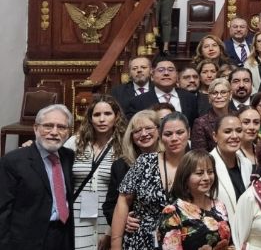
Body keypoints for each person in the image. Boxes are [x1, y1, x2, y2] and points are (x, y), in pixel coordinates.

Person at [0, 104, 74, 250]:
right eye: (48, 126)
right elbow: (3, 211)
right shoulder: (13, 161)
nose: (54, 132)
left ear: (68, 132)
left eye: (61, 127)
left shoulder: (69, 157)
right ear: (35, 128)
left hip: (62, 236)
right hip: (26, 241)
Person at [112, 112, 190, 250]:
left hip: (183, 240)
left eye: (180, 132)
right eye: (168, 134)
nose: (174, 138)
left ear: (188, 133)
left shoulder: (196, 164)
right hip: (141, 241)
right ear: (160, 135)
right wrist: (115, 244)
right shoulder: (145, 161)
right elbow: (123, 201)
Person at [62, 94, 125, 250]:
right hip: (77, 216)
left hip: (107, 219)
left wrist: (111, 231)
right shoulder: (75, 142)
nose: (102, 119)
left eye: (107, 114)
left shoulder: (124, 146)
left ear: (116, 116)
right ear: (90, 118)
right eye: (97, 115)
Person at [157, 150, 232, 250]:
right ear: (185, 177)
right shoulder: (172, 212)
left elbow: (229, 243)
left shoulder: (219, 206)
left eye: (210, 172)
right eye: (199, 173)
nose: (206, 178)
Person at [104, 110, 161, 226]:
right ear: (131, 136)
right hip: (134, 234)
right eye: (137, 131)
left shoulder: (172, 160)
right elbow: (109, 206)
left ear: (159, 130)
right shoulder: (120, 166)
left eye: (149, 128)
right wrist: (123, 220)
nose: (144, 134)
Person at [127, 58, 199, 126]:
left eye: (170, 70)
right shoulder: (138, 102)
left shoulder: (190, 98)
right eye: (161, 70)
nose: (166, 73)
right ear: (152, 76)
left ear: (177, 76)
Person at [210, 113, 252, 220]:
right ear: (215, 136)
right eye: (227, 131)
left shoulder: (247, 164)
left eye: (238, 131)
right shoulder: (206, 165)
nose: (234, 136)